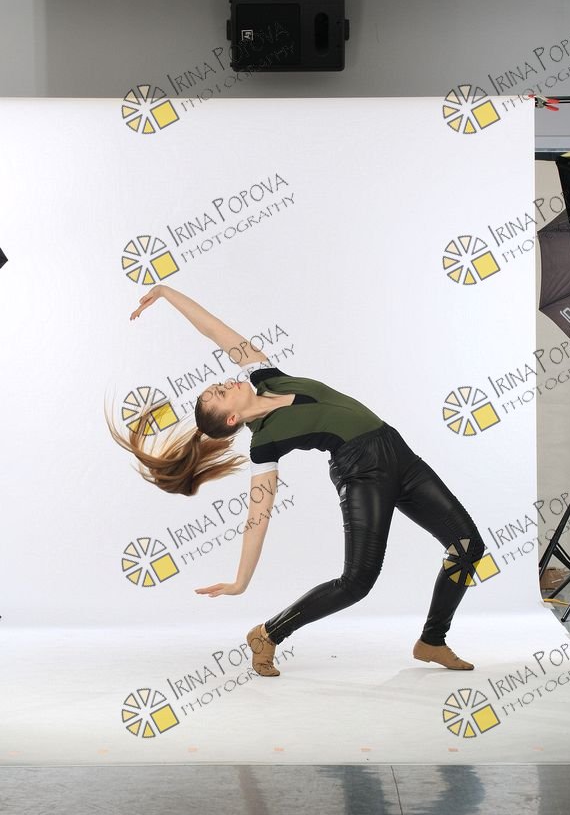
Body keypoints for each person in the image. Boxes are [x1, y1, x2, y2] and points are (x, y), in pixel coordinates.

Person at [106, 284, 485, 678]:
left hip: (398, 453)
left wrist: (166, 293)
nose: (225, 383)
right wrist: (240, 581)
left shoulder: (268, 377)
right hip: (362, 474)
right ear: (232, 419)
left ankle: (432, 640)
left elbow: (215, 330)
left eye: (218, 384)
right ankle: (268, 634)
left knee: (467, 545)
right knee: (357, 582)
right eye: (220, 393)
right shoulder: (264, 443)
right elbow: (257, 516)